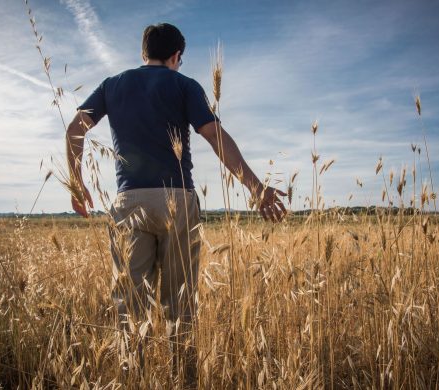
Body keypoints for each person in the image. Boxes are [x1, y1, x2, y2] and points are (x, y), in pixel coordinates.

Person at [65, 22, 286, 379]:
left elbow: (75, 129)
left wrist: (77, 183)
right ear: (176, 56)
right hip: (178, 199)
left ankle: (131, 379)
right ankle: (184, 379)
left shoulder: (111, 85)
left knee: (130, 309)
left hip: (128, 202)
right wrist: (256, 188)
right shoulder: (184, 85)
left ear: (143, 53)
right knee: (180, 304)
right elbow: (215, 136)